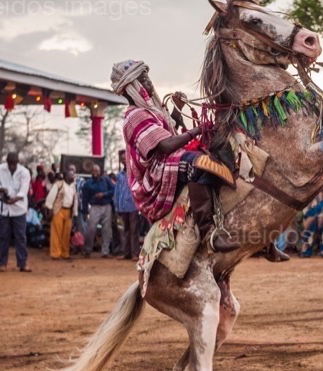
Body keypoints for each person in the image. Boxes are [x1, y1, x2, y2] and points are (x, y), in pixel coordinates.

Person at [111, 59, 239, 253]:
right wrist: (198, 129)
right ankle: (208, 232)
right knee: (196, 164)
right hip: (154, 175)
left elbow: (169, 134)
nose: (150, 84)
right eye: (144, 80)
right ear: (134, 88)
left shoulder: (150, 111)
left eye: (148, 78)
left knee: (219, 145)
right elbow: (166, 145)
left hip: (166, 161)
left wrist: (176, 113)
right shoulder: (134, 115)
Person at [0, 152, 31, 272]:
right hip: (3, 209)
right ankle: (2, 264)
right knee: (3, 237)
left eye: (14, 164)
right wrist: (1, 189)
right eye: (10, 164)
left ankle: (22, 263)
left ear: (17, 163)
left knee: (20, 237)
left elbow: (23, 191)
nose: (12, 167)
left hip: (19, 209)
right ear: (7, 162)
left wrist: (14, 199)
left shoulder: (24, 172)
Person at [81, 164, 114, 258]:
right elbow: (84, 199)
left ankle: (105, 252)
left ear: (100, 171)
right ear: (91, 172)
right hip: (94, 207)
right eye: (94, 171)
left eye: (97, 171)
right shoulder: (87, 184)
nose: (96, 173)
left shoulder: (106, 180)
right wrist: (85, 212)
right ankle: (87, 250)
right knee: (91, 229)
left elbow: (113, 190)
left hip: (107, 206)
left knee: (106, 230)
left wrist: (104, 194)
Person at [46, 169, 78, 260]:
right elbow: (50, 198)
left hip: (68, 212)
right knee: (57, 233)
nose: (73, 176)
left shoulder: (73, 186)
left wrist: (75, 213)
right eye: (71, 175)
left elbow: (75, 200)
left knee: (66, 234)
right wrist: (50, 209)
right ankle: (56, 254)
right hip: (58, 210)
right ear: (66, 176)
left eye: (73, 175)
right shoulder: (58, 184)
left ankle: (65, 253)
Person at [114, 150, 141, 261]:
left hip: (134, 205)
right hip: (123, 206)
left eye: (125, 157)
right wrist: (117, 206)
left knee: (134, 230)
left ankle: (135, 253)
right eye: (122, 158)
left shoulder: (135, 172)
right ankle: (126, 253)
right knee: (125, 230)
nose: (124, 159)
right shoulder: (119, 175)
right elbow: (117, 191)